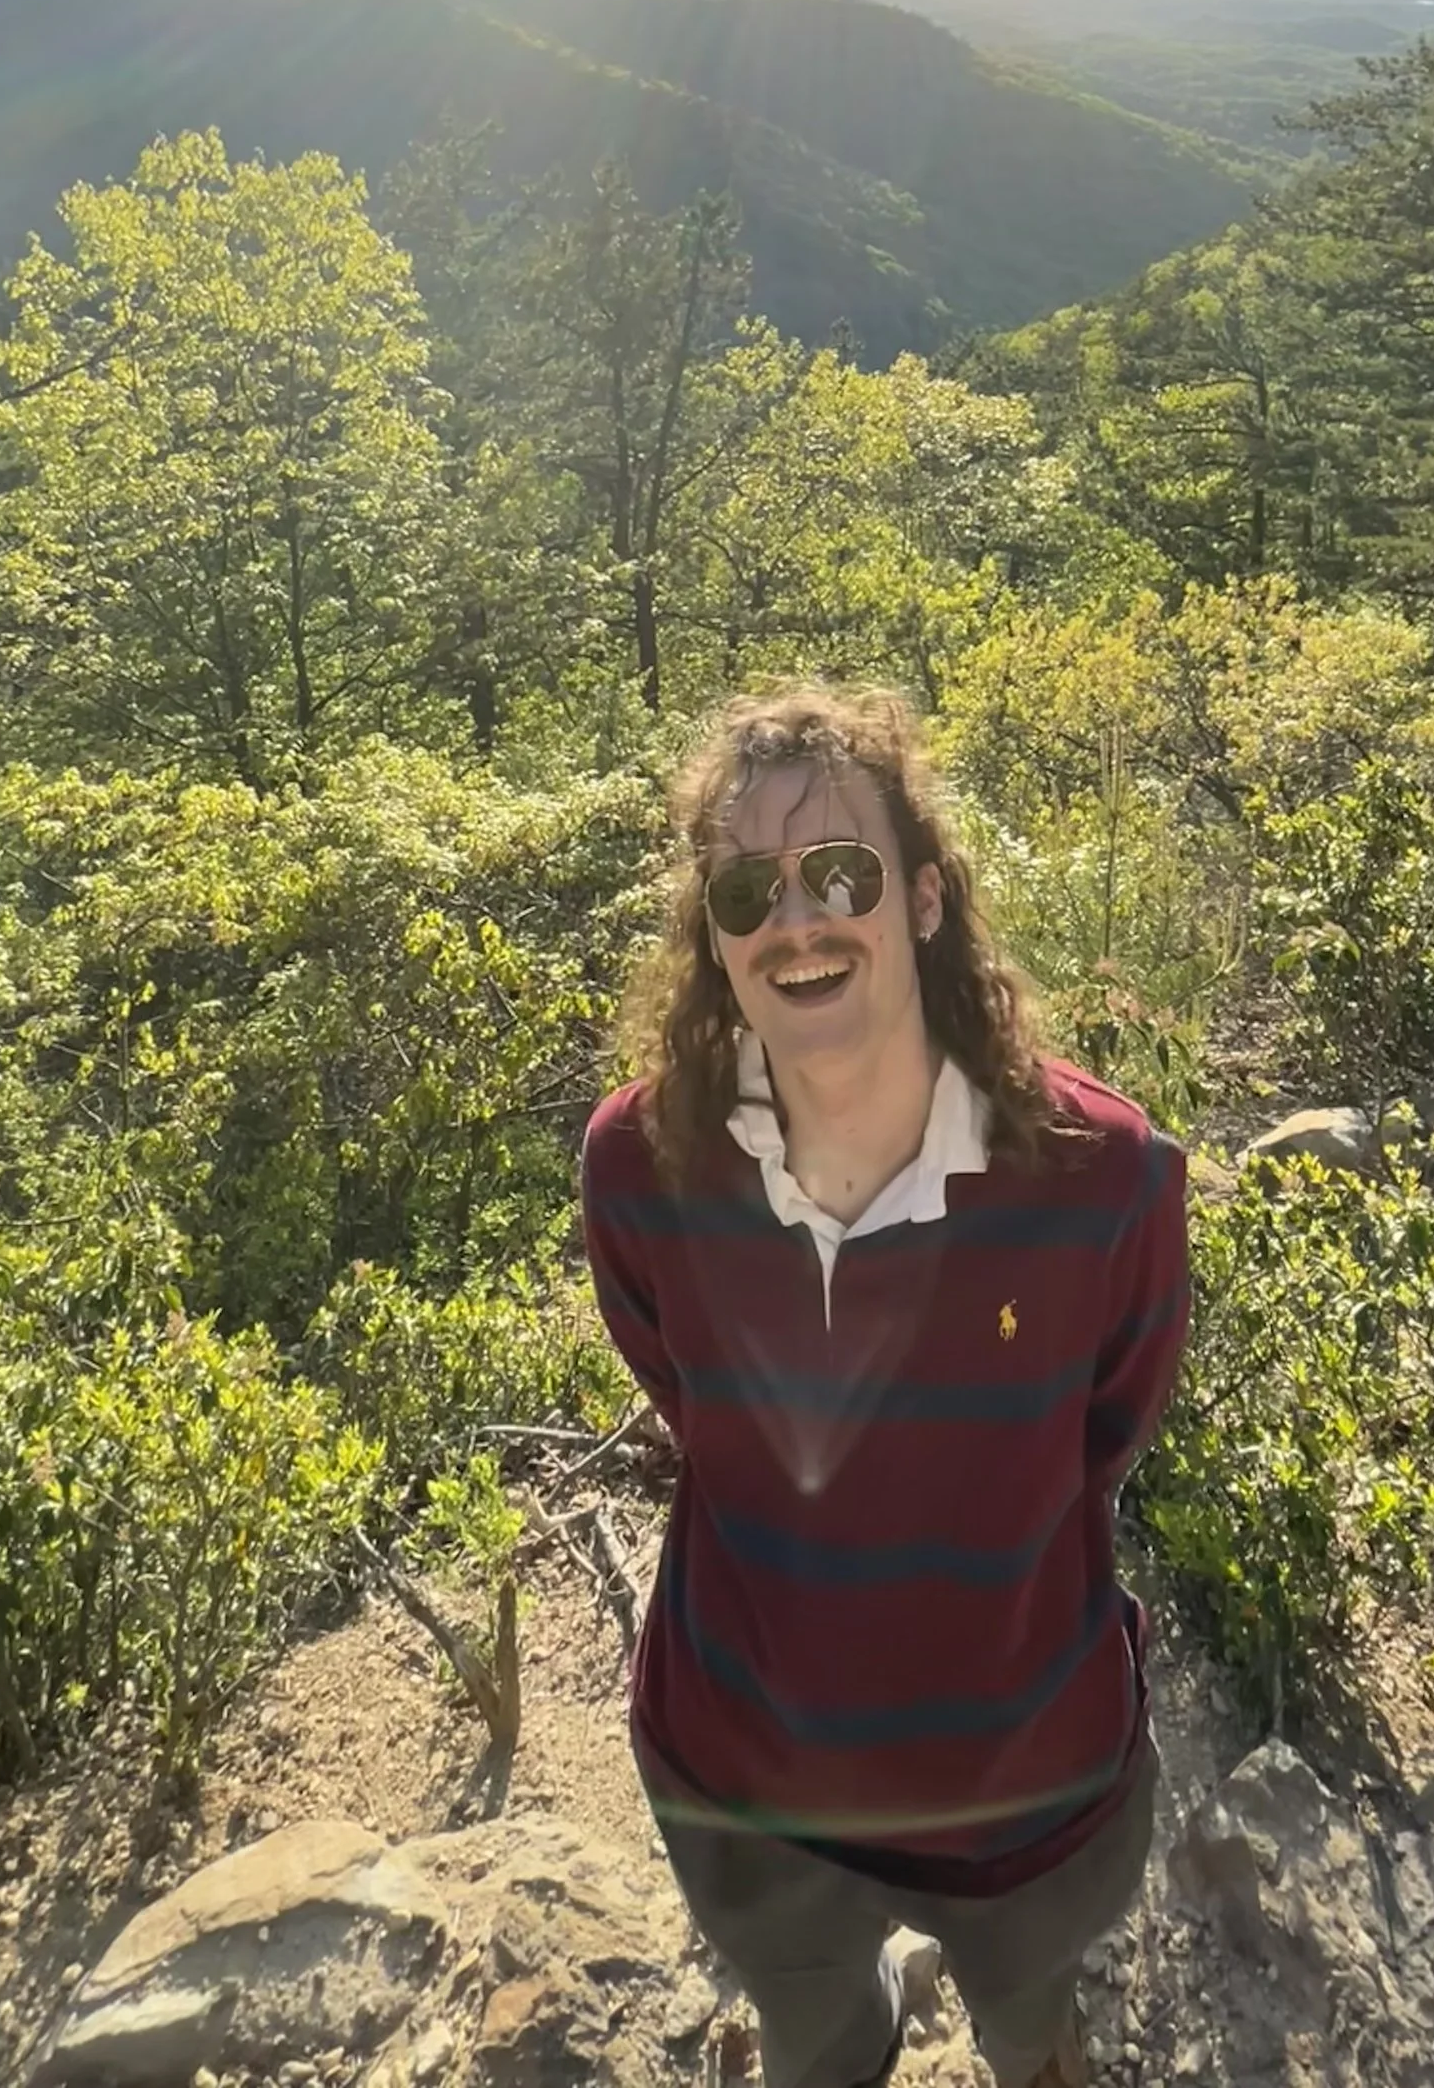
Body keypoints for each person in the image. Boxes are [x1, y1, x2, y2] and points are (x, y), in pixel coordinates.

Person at [581, 683, 1190, 2088]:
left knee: (1032, 2029)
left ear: (921, 901)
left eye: (841, 872)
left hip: (1029, 1797)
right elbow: (688, 1398)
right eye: (749, 888)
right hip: (745, 1784)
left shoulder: (1105, 1175)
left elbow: (1107, 1429)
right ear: (716, 937)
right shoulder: (642, 1166)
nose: (798, 919)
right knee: (816, 2041)